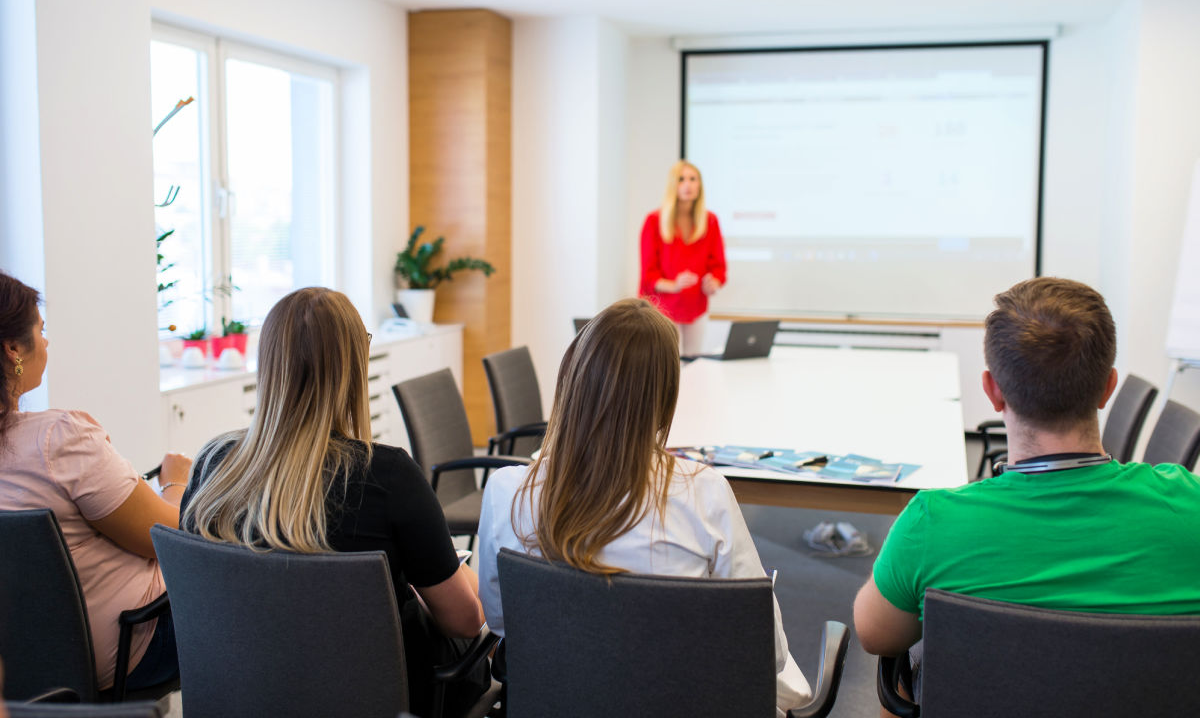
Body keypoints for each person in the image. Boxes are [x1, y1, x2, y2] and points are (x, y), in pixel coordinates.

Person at [853, 277, 1200, 709]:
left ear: (992, 390)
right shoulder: (1191, 504)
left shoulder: (932, 523)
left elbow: (876, 635)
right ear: (1108, 388)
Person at [477, 297, 810, 717]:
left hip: (557, 702)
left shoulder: (508, 490)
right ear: (666, 395)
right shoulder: (704, 495)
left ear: (574, 378)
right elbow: (766, 653)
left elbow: (502, 621)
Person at [180, 287, 487, 717]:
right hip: (380, 699)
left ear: (268, 363)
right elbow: (465, 622)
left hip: (248, 695)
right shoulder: (389, 477)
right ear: (353, 367)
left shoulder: (212, 468)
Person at [0, 271, 189, 692]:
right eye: (41, 331)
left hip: (23, 665)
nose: (46, 342)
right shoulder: (60, 439)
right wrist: (176, 483)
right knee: (257, 603)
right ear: (13, 348)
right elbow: (168, 539)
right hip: (125, 650)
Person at [639, 160, 727, 356]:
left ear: (699, 185)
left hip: (696, 306)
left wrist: (714, 282)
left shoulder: (710, 221)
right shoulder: (653, 222)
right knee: (667, 364)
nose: (688, 184)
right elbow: (648, 275)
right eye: (681, 179)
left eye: (693, 179)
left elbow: (719, 267)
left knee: (694, 362)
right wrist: (674, 285)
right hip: (663, 308)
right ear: (673, 185)